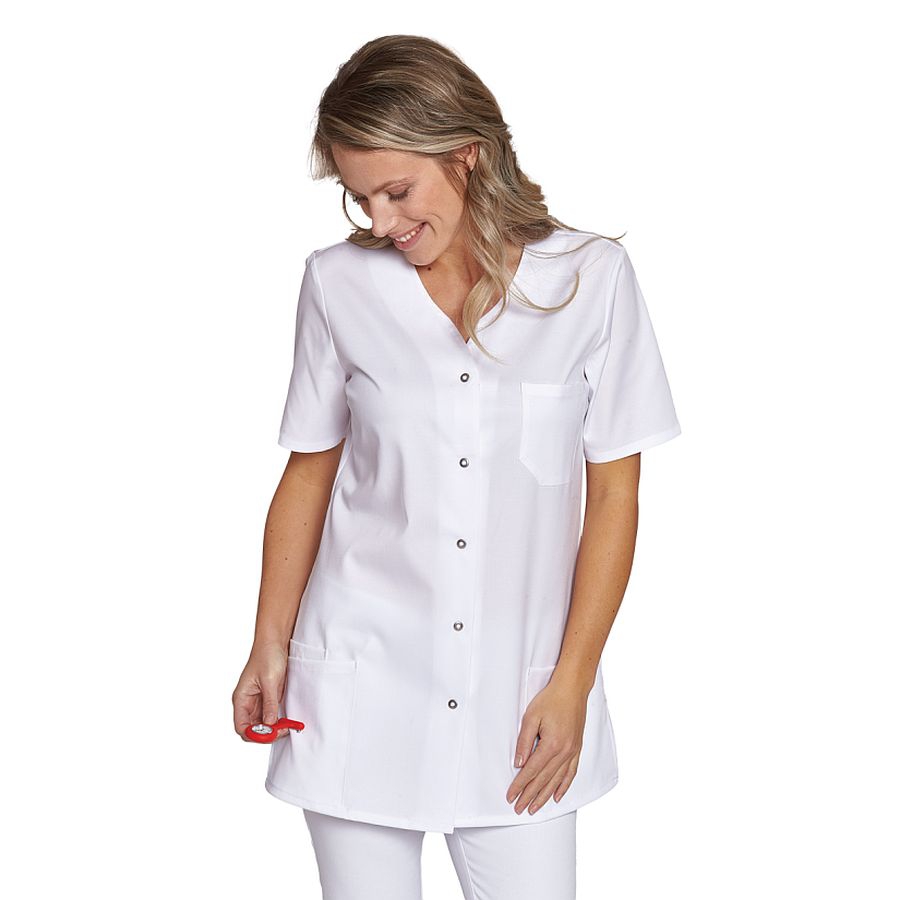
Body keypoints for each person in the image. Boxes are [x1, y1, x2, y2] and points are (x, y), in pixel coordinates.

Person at [232, 34, 682, 900]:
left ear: (466, 154)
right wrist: (268, 644)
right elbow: (308, 474)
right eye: (360, 198)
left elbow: (615, 496)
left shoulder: (592, 280)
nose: (380, 222)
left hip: (520, 698)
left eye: (397, 191)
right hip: (359, 682)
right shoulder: (337, 285)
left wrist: (573, 682)